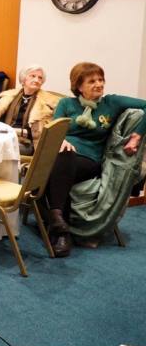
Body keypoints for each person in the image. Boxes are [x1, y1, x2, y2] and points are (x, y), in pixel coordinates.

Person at [45, 62, 146, 257]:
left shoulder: (111, 102)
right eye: (92, 81)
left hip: (90, 160)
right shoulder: (66, 104)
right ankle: (60, 227)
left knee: (54, 170)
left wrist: (137, 135)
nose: (99, 84)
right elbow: (54, 129)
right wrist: (61, 140)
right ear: (79, 86)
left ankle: (56, 222)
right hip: (64, 156)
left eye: (101, 80)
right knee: (63, 159)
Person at [0, 65, 60, 155]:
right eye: (33, 76)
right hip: (5, 137)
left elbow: (53, 129)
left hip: (28, 143)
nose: (36, 80)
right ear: (23, 78)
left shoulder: (49, 103)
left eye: (40, 78)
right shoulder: (9, 97)